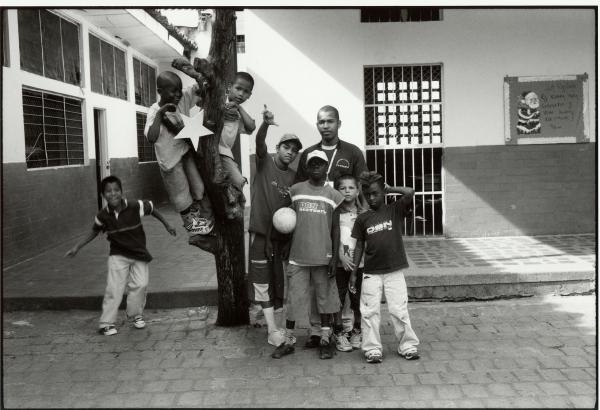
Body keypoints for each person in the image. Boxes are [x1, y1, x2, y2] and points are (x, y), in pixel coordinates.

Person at [295, 105, 369, 349]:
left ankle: (346, 328)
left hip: (343, 226)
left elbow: (364, 187)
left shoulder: (352, 152)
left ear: (339, 123)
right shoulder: (309, 153)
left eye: (329, 121)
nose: (325, 125)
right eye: (321, 122)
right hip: (314, 226)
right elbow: (297, 191)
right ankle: (317, 330)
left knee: (341, 278)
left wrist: (366, 220)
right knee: (319, 279)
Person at [65, 175, 176, 336]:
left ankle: (135, 314)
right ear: (103, 195)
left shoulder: (134, 206)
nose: (113, 194)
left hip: (138, 252)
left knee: (141, 285)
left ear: (122, 192)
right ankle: (106, 323)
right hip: (118, 255)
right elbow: (94, 231)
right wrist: (77, 247)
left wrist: (168, 224)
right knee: (114, 288)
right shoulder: (103, 215)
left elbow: (152, 209)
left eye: (116, 190)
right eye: (108, 191)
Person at [271, 150, 344, 360]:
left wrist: (334, 258)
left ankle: (324, 339)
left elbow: (336, 229)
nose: (316, 167)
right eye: (312, 164)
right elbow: (285, 218)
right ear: (307, 167)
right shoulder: (296, 190)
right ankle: (289, 340)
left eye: (320, 164)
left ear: (326, 167)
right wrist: (285, 242)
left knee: (325, 300)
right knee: (294, 300)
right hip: (298, 256)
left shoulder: (334, 195)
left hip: (323, 257)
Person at [349, 171, 420, 364]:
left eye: (376, 193)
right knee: (370, 312)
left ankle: (407, 345)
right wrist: (354, 273)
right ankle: (372, 349)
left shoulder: (394, 210)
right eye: (367, 194)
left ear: (383, 192)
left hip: (394, 271)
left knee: (399, 309)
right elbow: (359, 247)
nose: (371, 198)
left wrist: (390, 189)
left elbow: (410, 192)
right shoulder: (362, 219)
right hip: (371, 273)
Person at [248, 105, 302, 346]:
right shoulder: (264, 163)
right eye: (286, 147)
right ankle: (271, 330)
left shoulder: (293, 178)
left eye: (294, 150)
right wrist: (266, 124)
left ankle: (277, 325)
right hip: (260, 235)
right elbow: (259, 142)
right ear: (277, 148)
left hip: (280, 239)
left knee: (279, 283)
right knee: (262, 280)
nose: (290, 153)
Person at [145, 71, 214, 235]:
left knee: (199, 187)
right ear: (160, 91)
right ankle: (193, 226)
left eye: (179, 90)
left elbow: (196, 89)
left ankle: (200, 219)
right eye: (173, 91)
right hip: (170, 162)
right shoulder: (154, 111)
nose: (177, 95)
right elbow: (151, 137)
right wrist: (160, 115)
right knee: (181, 195)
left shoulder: (181, 99)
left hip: (185, 153)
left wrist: (205, 79)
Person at [331, 174, 367, 352]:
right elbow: (332, 237)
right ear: (337, 191)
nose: (347, 191)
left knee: (357, 300)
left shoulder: (363, 214)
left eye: (351, 187)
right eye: (342, 188)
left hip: (359, 265)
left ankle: (357, 330)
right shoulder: (335, 213)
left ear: (358, 190)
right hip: (339, 265)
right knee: (337, 299)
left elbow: (365, 240)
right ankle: (338, 332)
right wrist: (340, 256)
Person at [219, 72, 257, 189]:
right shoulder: (218, 102)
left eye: (246, 92)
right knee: (238, 181)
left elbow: (251, 127)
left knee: (232, 184)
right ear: (230, 87)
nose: (241, 94)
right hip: (214, 150)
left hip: (225, 153)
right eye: (238, 88)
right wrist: (222, 111)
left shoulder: (238, 113)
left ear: (249, 95)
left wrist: (239, 107)